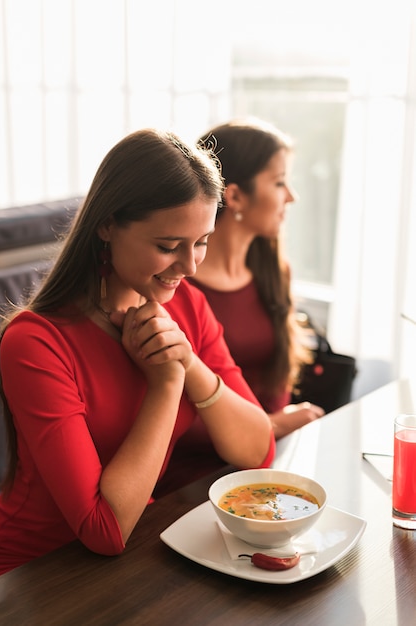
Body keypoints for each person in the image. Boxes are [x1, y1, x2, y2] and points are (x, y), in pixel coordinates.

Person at [0, 128, 275, 575]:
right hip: (33, 574)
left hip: (132, 556)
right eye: (168, 247)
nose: (189, 267)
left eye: (201, 241)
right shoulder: (36, 342)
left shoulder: (186, 304)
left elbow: (258, 451)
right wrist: (167, 384)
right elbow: (104, 529)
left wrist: (190, 364)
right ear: (106, 225)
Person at [154, 119, 324, 498]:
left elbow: (277, 373)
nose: (290, 197)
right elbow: (172, 416)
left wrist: (276, 432)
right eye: (279, 182)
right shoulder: (174, 289)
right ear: (235, 197)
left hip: (271, 463)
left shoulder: (271, 271)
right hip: (196, 483)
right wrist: (272, 425)